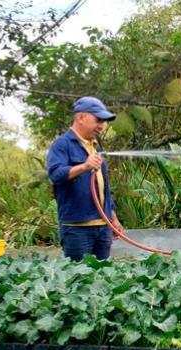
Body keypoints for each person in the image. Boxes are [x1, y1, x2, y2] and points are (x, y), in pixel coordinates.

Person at [46, 96, 123, 260]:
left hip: (103, 227)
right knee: (79, 281)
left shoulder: (95, 147)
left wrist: (113, 218)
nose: (101, 126)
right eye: (98, 120)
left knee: (104, 279)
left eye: (104, 121)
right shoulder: (62, 144)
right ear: (80, 117)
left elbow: (104, 188)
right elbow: (55, 174)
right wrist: (84, 166)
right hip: (77, 229)